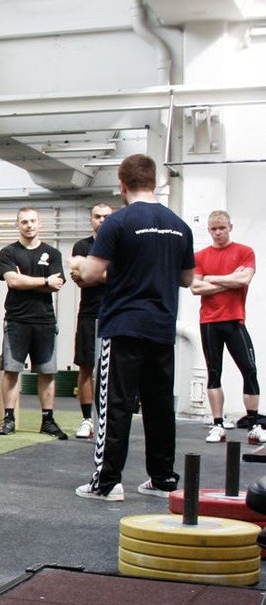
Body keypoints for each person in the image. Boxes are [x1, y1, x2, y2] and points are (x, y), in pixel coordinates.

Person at [76, 154, 195, 501]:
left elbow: (92, 275)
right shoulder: (179, 225)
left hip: (124, 325)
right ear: (154, 181)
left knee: (115, 403)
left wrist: (80, 263)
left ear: (122, 183)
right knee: (159, 405)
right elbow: (187, 278)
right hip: (161, 326)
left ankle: (107, 483)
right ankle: (163, 479)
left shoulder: (118, 222)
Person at [192, 210, 264, 444]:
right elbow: (195, 288)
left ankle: (253, 424)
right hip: (210, 322)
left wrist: (210, 278)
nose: (218, 232)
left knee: (249, 370)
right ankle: (217, 425)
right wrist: (229, 279)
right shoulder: (201, 255)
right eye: (213, 229)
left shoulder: (244, 252)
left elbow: (243, 280)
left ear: (230, 227)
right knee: (214, 373)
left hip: (234, 320)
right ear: (209, 230)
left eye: (222, 228)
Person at [0, 206, 69, 438]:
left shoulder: (53, 253)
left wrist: (28, 279)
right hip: (16, 319)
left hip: (45, 321)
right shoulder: (8, 252)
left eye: (32, 221)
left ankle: (47, 420)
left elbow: (57, 284)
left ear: (39, 224)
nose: (29, 225)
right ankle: (8, 418)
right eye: (24, 222)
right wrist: (44, 280)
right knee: (11, 371)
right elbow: (13, 282)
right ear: (18, 225)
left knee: (47, 372)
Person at [67, 201, 114, 440]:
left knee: (116, 370)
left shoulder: (120, 245)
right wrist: (109, 276)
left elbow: (123, 278)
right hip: (89, 313)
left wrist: (92, 273)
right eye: (98, 216)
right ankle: (87, 420)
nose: (102, 220)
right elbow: (80, 278)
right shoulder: (82, 245)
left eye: (107, 216)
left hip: (116, 313)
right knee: (86, 366)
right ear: (91, 219)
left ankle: (109, 421)